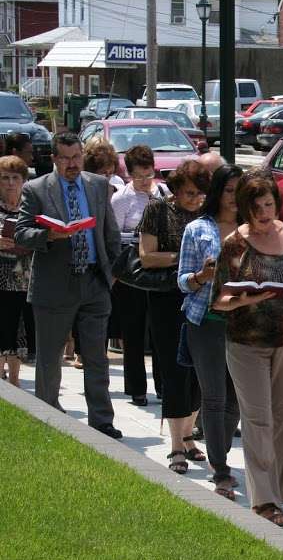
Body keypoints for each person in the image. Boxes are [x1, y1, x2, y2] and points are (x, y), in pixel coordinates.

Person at [14, 132, 122, 438]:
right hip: (54, 284)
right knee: (49, 359)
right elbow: (22, 233)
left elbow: (109, 232)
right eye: (65, 158)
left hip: (94, 281)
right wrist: (49, 236)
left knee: (96, 357)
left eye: (77, 157)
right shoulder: (36, 189)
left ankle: (102, 421)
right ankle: (48, 416)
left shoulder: (98, 185)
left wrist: (111, 273)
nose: (72, 164)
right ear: (54, 159)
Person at [212, 173, 283, 527]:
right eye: (256, 206)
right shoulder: (234, 243)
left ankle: (277, 492)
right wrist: (244, 299)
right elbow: (218, 301)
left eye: (269, 204)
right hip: (247, 341)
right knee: (258, 419)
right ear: (245, 208)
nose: (264, 212)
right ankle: (263, 500)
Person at [178, 164, 243, 500]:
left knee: (235, 401)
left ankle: (221, 455)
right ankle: (220, 470)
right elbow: (182, 281)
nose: (234, 198)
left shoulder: (252, 229)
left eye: (239, 190)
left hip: (245, 324)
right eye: (229, 190)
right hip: (205, 321)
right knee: (214, 397)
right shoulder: (197, 229)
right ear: (218, 192)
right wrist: (202, 276)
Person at [138, 160, 207, 473]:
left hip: (203, 298)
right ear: (176, 190)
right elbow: (147, 256)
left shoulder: (209, 213)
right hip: (168, 298)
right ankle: (176, 446)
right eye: (189, 193)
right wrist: (185, 258)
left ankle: (189, 435)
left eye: (200, 194)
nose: (195, 199)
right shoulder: (157, 210)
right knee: (175, 370)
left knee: (200, 373)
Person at [111, 145, 168, 406]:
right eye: (139, 177)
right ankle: (136, 388)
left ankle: (164, 385)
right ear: (129, 174)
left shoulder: (164, 193)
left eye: (149, 175)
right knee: (132, 331)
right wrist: (138, 237)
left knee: (160, 331)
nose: (146, 182)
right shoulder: (121, 198)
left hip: (158, 270)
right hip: (133, 270)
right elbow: (114, 235)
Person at [0, 156, 30, 386]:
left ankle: (16, 379)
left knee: (17, 325)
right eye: (5, 178)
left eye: (15, 178)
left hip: (23, 276)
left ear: (23, 181)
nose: (10, 183)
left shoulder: (30, 208)